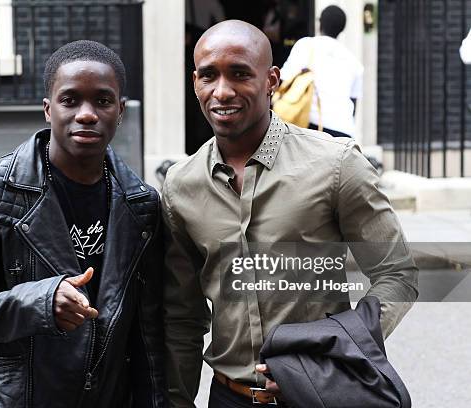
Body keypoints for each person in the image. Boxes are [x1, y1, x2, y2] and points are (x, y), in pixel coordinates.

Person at [162, 20, 418, 407]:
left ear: (272, 80)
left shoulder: (336, 165)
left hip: (322, 394)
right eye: (209, 76)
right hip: (228, 396)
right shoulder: (181, 186)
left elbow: (396, 274)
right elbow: (183, 317)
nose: (223, 91)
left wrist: (330, 358)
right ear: (194, 80)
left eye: (240, 74)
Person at [0, 40, 167, 408]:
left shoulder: (142, 204)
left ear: (120, 111)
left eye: (102, 100)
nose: (86, 114)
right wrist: (41, 301)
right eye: (70, 100)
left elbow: (147, 333)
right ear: (48, 110)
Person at [279, 5, 363, 138]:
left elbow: (284, 79)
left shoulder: (305, 45)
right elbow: (353, 103)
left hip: (310, 125)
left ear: (320, 23)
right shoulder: (354, 62)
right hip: (343, 131)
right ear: (342, 29)